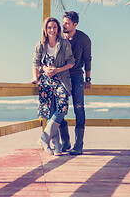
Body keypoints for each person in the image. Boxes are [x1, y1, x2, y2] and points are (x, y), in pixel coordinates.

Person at [31, 17, 75, 156]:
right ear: (45, 29)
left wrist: (57, 70)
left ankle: (44, 138)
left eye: (54, 27)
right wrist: (36, 77)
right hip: (45, 81)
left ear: (58, 29)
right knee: (50, 111)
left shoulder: (64, 44)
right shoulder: (40, 45)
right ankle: (56, 146)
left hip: (61, 80)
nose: (52, 30)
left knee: (62, 107)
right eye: (49, 27)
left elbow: (71, 62)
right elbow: (35, 63)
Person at [59, 11, 92, 155]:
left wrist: (88, 79)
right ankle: (65, 142)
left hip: (78, 76)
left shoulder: (84, 39)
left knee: (79, 108)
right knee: (59, 108)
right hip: (61, 77)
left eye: (67, 23)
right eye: (63, 22)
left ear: (75, 24)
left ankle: (79, 144)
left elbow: (88, 59)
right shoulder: (59, 37)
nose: (63, 25)